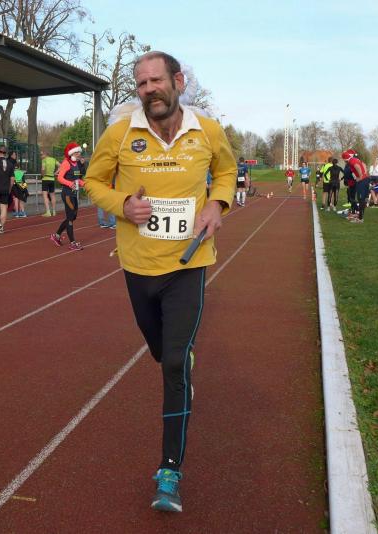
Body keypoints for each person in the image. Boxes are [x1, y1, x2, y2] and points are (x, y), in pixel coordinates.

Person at [85, 51, 236, 513]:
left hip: (189, 264)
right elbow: (93, 182)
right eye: (141, 83)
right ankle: (178, 358)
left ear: (178, 81)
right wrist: (122, 205)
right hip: (138, 267)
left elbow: (226, 172)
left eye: (156, 80)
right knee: (162, 352)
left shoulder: (207, 130)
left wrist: (217, 204)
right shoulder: (120, 133)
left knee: (173, 365)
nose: (149, 89)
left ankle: (169, 472)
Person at [50, 141, 85, 250]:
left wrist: (85, 184)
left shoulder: (76, 164)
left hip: (74, 194)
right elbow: (60, 178)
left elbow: (77, 179)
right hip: (67, 194)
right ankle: (73, 243)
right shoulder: (66, 163)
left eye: (79, 152)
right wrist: (70, 184)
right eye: (77, 152)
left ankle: (56, 236)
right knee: (70, 218)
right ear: (72, 153)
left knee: (73, 216)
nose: (79, 154)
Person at [342, 150, 368, 223]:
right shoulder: (354, 160)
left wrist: (360, 176)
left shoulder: (351, 161)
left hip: (362, 181)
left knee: (360, 199)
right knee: (360, 199)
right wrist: (363, 174)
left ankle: (360, 219)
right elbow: (363, 165)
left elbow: (357, 166)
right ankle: (359, 216)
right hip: (363, 180)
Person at [9, 151, 28, 218]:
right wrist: (25, 189)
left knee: (16, 199)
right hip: (21, 187)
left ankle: (17, 213)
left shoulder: (13, 173)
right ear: (19, 167)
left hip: (15, 186)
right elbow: (24, 181)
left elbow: (12, 180)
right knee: (21, 200)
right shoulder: (21, 172)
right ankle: (23, 212)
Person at [40, 149, 58, 216]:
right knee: (52, 195)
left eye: (41, 154)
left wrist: (42, 175)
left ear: (45, 154)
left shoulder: (44, 160)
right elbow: (61, 166)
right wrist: (55, 172)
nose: (41, 156)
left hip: (45, 179)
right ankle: (54, 211)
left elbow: (43, 169)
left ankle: (48, 212)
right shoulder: (53, 159)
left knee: (45, 196)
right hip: (52, 179)